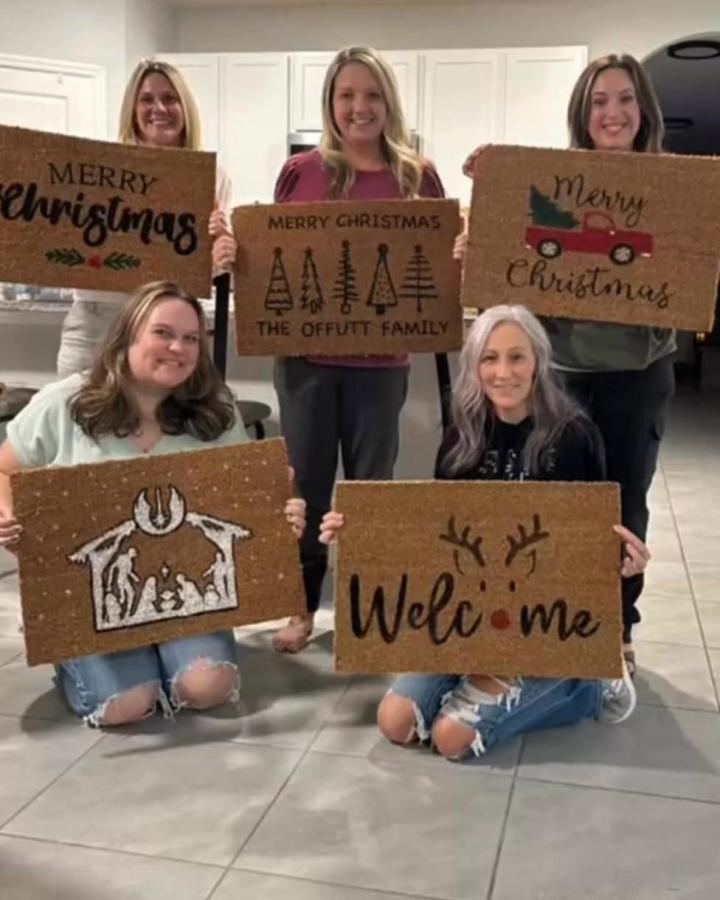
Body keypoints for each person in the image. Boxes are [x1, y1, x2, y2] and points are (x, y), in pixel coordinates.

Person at [320, 305, 650, 760]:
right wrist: (364, 534)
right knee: (395, 721)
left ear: (538, 361)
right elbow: (436, 535)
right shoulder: (463, 436)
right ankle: (480, 672)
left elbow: (589, 542)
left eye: (517, 357)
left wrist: (619, 560)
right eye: (489, 358)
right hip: (471, 616)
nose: (503, 372)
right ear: (474, 366)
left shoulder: (574, 436)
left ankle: (589, 689)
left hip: (544, 624)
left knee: (451, 739)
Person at [214, 46, 449, 653]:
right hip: (305, 365)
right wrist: (236, 252)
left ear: (388, 102)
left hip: (381, 367)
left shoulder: (416, 176)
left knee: (373, 488)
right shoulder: (302, 172)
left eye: (371, 94)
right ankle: (299, 609)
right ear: (331, 103)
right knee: (305, 486)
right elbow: (273, 259)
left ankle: (367, 609)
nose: (359, 107)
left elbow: (442, 257)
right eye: (346, 94)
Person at [0, 281, 306, 727]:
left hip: (186, 591)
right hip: (94, 594)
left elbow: (252, 501)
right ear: (128, 336)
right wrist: (7, 514)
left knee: (207, 689)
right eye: (162, 333)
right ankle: (72, 652)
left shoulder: (216, 413)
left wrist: (283, 516)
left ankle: (158, 651)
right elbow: (4, 469)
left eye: (190, 339)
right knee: (126, 706)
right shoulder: (66, 402)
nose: (177, 348)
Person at [461, 55, 671, 678]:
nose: (613, 113)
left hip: (639, 372)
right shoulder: (553, 186)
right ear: (583, 114)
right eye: (599, 101)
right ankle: (552, 616)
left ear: (643, 111)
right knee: (555, 500)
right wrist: (493, 183)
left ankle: (618, 626)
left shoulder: (671, 188)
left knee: (624, 499)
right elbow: (513, 259)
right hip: (563, 373)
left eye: (625, 100)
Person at [57, 58, 230, 376]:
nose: (158, 108)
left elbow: (202, 270)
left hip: (168, 325)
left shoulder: (213, 177)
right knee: (77, 422)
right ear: (133, 110)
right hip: (99, 320)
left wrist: (220, 253)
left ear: (185, 107)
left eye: (170, 98)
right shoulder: (100, 168)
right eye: (147, 99)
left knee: (157, 425)